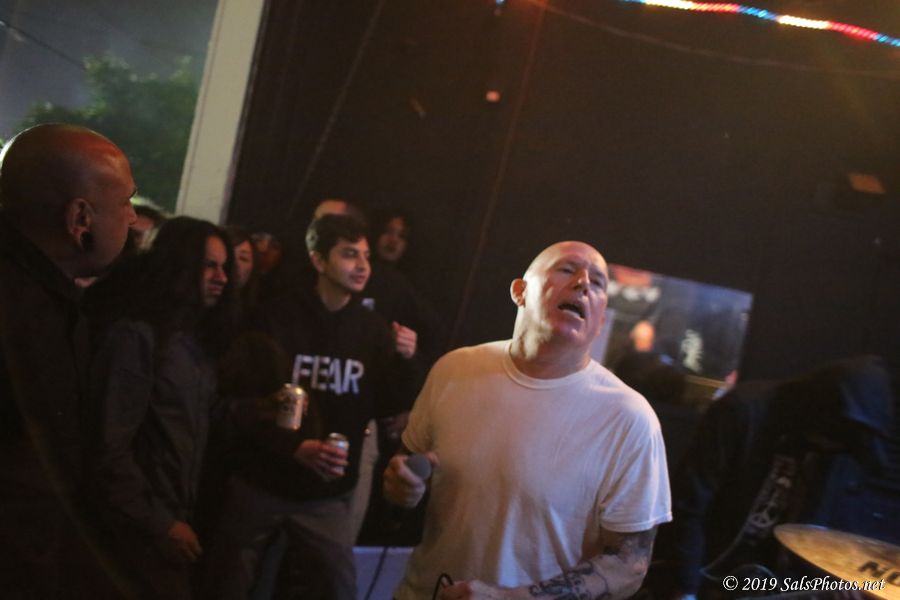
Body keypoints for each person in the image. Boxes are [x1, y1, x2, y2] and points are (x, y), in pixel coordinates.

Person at [384, 240, 672, 600]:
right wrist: (400, 487)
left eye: (598, 282)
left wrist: (513, 598)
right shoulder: (453, 369)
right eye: (567, 269)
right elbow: (403, 473)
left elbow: (628, 566)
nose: (583, 282)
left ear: (600, 320)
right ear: (520, 291)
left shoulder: (629, 419)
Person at [204, 214, 416, 599]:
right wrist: (292, 447)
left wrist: (406, 359)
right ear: (318, 260)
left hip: (326, 494)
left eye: (366, 256)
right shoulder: (275, 317)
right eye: (349, 255)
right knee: (228, 585)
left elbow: (389, 405)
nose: (362, 266)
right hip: (261, 480)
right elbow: (242, 401)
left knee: (339, 587)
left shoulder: (372, 329)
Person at [0, 123, 136, 598]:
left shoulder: (49, 298)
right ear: (80, 218)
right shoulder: (26, 311)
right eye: (125, 202)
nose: (134, 218)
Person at [87, 217, 236, 599]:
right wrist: (159, 524)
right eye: (209, 265)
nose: (221, 277)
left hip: (166, 522)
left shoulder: (191, 343)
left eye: (225, 267)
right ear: (179, 265)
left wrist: (260, 412)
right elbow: (109, 446)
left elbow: (195, 416)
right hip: (132, 533)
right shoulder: (137, 337)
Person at [660, 356, 893, 600]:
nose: (831, 448)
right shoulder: (742, 410)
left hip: (758, 583)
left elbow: (819, 533)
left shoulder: (834, 453)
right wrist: (685, 587)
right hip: (701, 571)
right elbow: (689, 503)